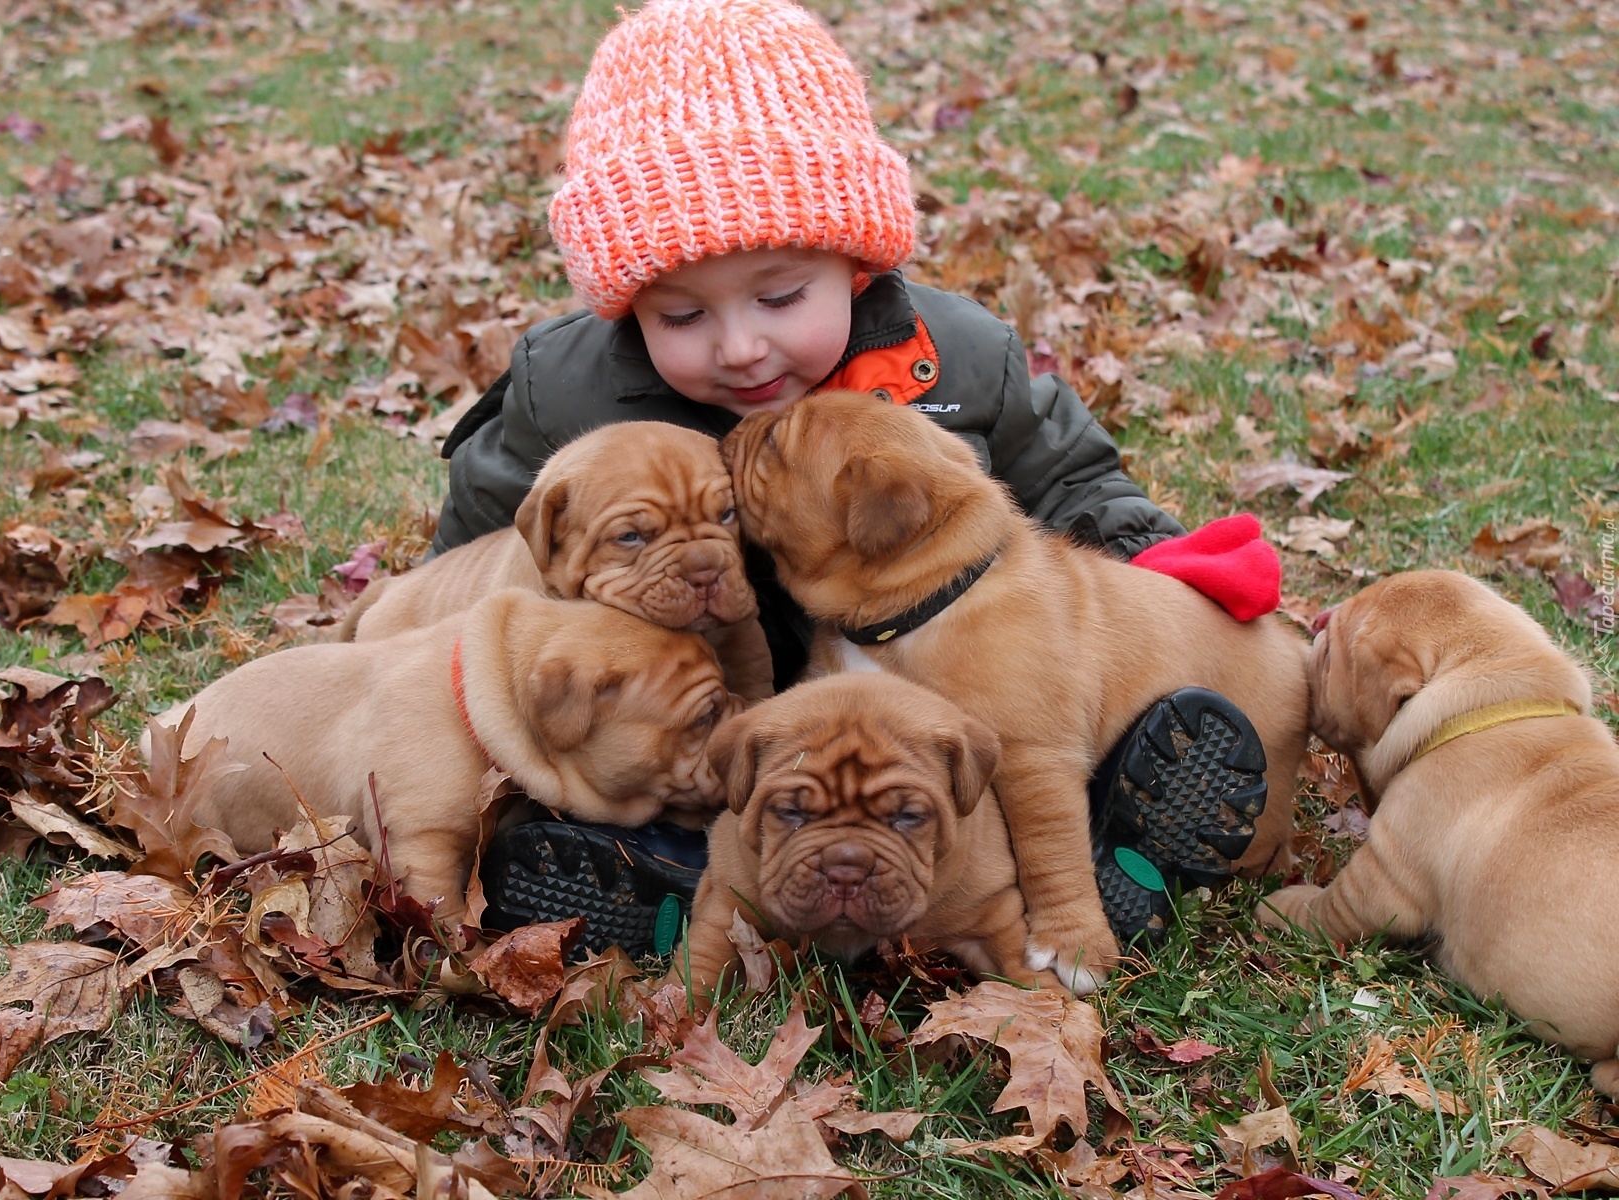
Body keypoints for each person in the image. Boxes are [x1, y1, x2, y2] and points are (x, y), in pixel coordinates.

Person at [431, 0, 1282, 959]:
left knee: (1021, 752)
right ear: (628, 308)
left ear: (855, 256)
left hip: (912, 729)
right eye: (681, 318)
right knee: (650, 768)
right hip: (709, 711)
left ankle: (1112, 835)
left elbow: (1074, 480)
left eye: (783, 296)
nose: (741, 348)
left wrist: (1152, 556)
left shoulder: (958, 360)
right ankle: (640, 868)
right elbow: (471, 554)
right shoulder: (569, 390)